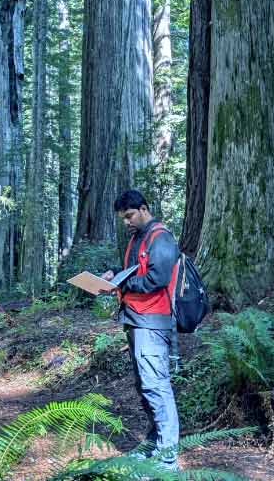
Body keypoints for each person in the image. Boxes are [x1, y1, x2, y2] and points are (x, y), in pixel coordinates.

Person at [100, 189, 180, 472]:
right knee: (145, 386)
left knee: (157, 387)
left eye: (130, 216)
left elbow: (157, 278)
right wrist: (113, 274)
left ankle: (168, 459)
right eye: (123, 218)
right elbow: (135, 270)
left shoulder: (161, 237)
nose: (126, 222)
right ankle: (154, 443)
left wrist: (121, 285)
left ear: (144, 209)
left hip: (153, 322)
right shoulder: (137, 239)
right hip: (136, 320)